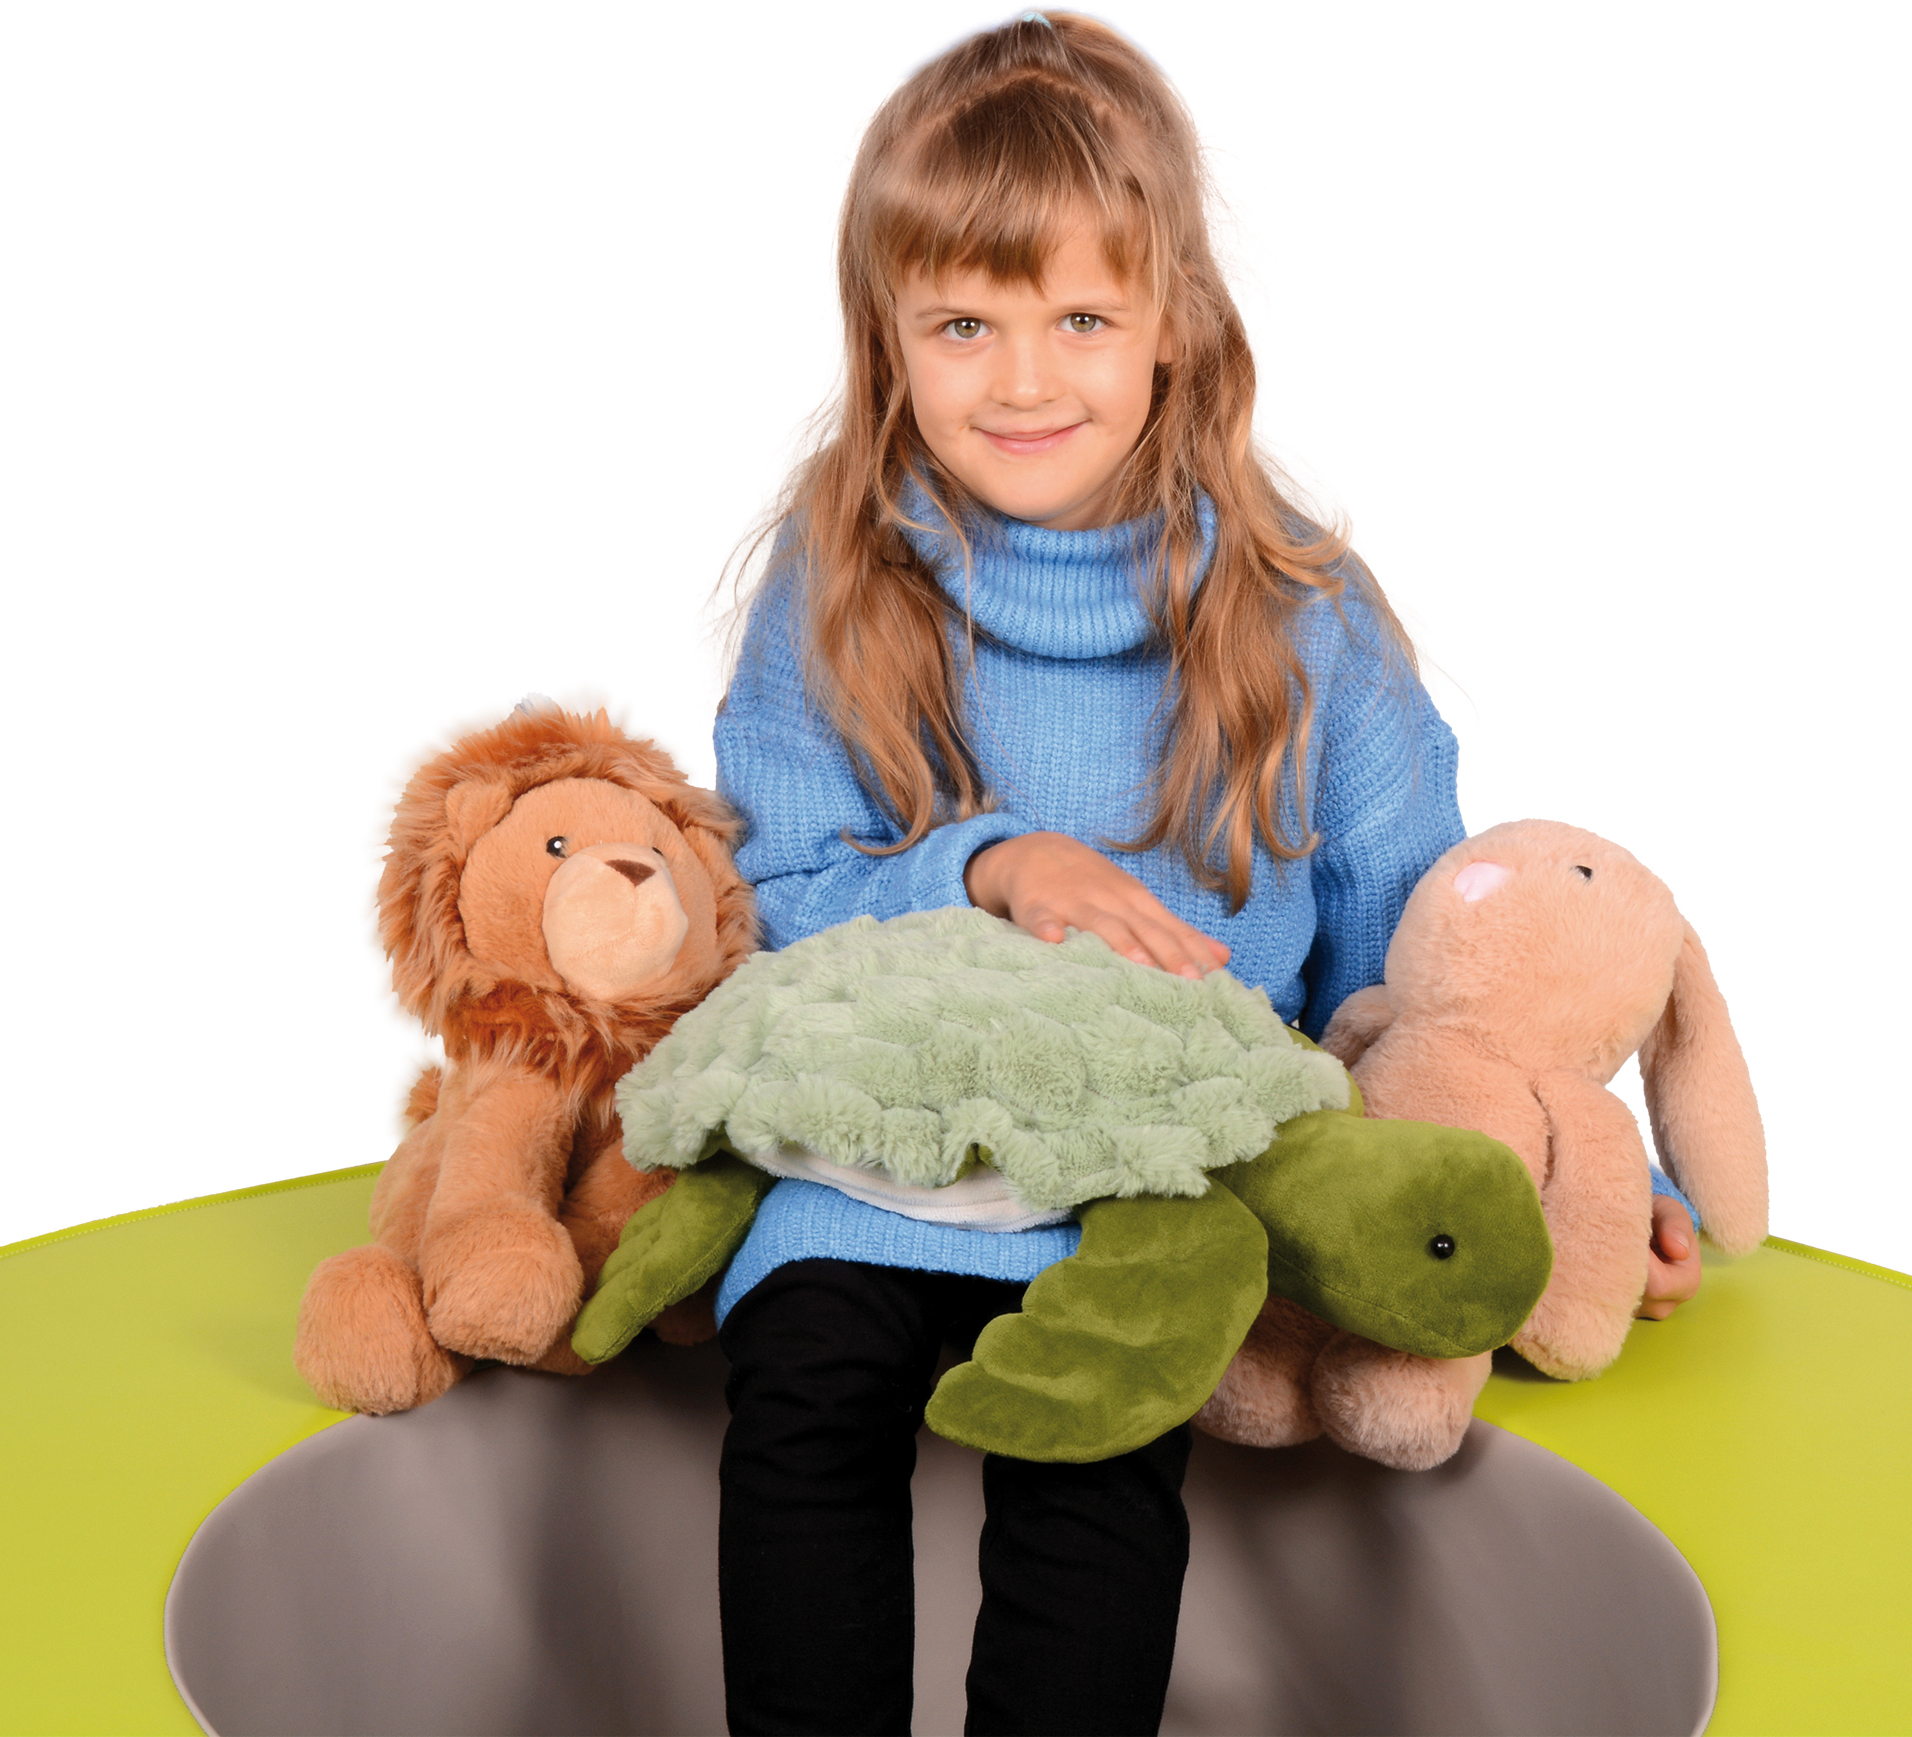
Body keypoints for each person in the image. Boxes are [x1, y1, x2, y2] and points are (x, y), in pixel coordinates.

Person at [704, 14, 1698, 1733]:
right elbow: (775, 885)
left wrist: (1554, 1156)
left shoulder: (1300, 610)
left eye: (1081, 320)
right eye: (964, 325)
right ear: (888, 337)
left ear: (1174, 321)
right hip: (889, 1139)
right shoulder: (840, 579)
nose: (1024, 381)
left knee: (1104, 1454)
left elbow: (1410, 937)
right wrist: (993, 867)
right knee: (801, 1386)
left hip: (1161, 1164)